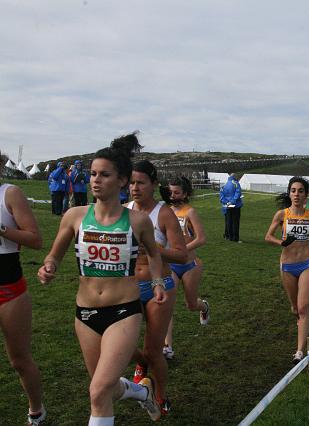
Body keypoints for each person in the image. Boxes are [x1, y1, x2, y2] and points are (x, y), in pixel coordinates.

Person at [37, 133, 166, 425]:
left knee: (97, 391)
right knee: (103, 387)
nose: (95, 180)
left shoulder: (137, 221)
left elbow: (155, 255)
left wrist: (157, 282)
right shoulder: (74, 216)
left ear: (121, 180)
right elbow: (54, 254)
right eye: (93, 174)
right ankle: (141, 393)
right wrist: (49, 267)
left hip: (123, 311)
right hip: (85, 314)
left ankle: (138, 393)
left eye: (104, 175)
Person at [127, 160, 188, 416]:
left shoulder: (163, 214)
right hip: (128, 286)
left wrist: (153, 248)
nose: (134, 187)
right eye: (131, 182)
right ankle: (140, 363)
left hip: (158, 286)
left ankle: (160, 395)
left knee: (154, 352)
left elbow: (182, 255)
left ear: (153, 185)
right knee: (122, 347)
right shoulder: (123, 210)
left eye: (141, 182)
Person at [264, 177, 309, 362]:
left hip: (307, 264)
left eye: (300, 191)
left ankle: (299, 351)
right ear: (289, 193)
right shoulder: (282, 215)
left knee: (303, 307)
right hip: (287, 266)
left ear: (306, 194)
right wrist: (281, 242)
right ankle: (297, 316)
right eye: (293, 190)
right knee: (295, 308)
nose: (296, 194)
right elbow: (268, 236)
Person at [0, 175, 46, 425]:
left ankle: (36, 409)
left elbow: (36, 240)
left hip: (8, 288)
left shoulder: (10, 193)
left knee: (19, 359)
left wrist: (2, 229)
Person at [166, 176, 209, 360]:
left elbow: (201, 238)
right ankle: (167, 346)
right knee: (166, 305)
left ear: (185, 193)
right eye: (170, 192)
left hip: (189, 264)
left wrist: (182, 250)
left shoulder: (190, 212)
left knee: (190, 304)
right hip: (170, 265)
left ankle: (203, 306)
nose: (172, 195)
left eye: (176, 192)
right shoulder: (165, 212)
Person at [220, 173, 243, 242]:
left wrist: (226, 202)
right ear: (234, 177)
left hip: (227, 206)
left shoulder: (224, 185)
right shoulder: (236, 183)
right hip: (235, 206)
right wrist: (232, 201)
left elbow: (221, 197)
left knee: (228, 222)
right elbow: (238, 193)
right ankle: (235, 238)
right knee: (235, 222)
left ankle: (229, 237)